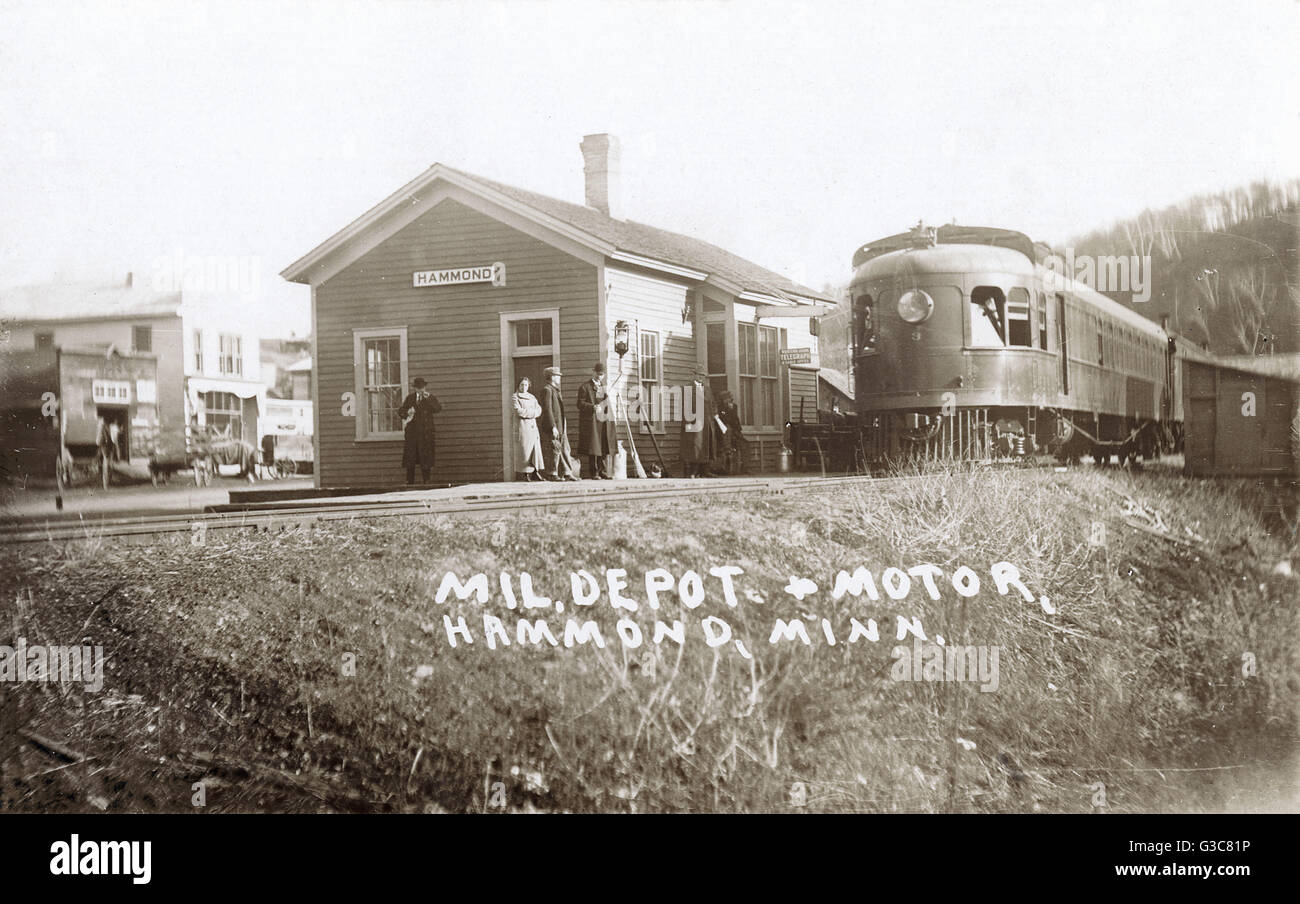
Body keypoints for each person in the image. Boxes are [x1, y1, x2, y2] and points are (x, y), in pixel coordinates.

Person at [538, 366, 579, 480]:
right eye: (557, 376)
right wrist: (553, 426)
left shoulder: (555, 390)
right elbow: (547, 410)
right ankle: (552, 473)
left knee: (565, 448)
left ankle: (567, 472)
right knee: (554, 449)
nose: (559, 378)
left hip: (561, 424)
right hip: (554, 425)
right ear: (552, 377)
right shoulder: (547, 390)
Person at [577, 362, 616, 479]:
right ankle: (594, 472)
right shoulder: (585, 387)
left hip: (603, 420)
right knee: (594, 447)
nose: (600, 377)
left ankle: (602, 470)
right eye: (598, 374)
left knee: (603, 445)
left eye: (602, 375)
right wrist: (592, 407)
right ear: (593, 372)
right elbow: (580, 404)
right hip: (592, 421)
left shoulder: (603, 387)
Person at [398, 377, 441, 484]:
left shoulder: (430, 398)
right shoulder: (410, 398)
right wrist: (408, 412)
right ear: (415, 389)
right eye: (419, 388)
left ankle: (427, 481)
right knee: (410, 459)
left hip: (425, 433)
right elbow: (401, 411)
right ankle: (410, 482)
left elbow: (438, 408)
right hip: (413, 434)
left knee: (425, 458)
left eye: (423, 387)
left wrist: (429, 398)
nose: (421, 390)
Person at [682, 367, 719, 478]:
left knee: (707, 445)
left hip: (707, 422)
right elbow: (685, 407)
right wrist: (688, 423)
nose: (701, 377)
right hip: (694, 421)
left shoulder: (707, 389)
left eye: (703, 376)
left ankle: (705, 471)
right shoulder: (688, 388)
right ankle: (693, 471)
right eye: (699, 375)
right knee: (695, 446)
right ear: (694, 375)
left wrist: (715, 414)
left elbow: (713, 403)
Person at [512, 377, 546, 481]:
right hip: (523, 427)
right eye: (522, 384)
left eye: (526, 385)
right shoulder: (515, 397)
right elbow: (518, 411)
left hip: (533, 427)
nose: (524, 387)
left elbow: (539, 409)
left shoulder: (532, 397)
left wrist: (532, 413)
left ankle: (536, 472)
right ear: (518, 385)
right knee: (525, 451)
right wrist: (532, 413)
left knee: (535, 450)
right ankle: (526, 474)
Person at [717, 389, 746, 474]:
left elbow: (735, 420)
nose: (728, 400)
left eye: (729, 398)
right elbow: (724, 420)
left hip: (733, 430)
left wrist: (738, 431)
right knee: (726, 443)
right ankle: (726, 467)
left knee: (742, 444)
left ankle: (741, 467)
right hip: (722, 431)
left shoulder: (734, 407)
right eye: (726, 399)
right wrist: (728, 410)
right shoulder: (720, 408)